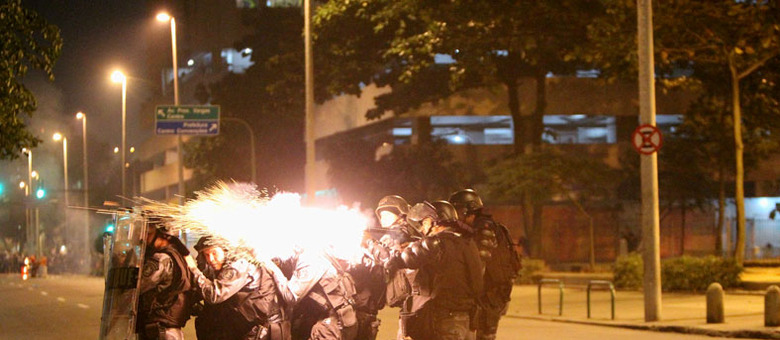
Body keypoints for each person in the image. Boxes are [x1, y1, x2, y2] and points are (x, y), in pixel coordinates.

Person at [387, 200, 484, 340]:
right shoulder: (466, 242)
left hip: (444, 320)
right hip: (466, 319)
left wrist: (385, 249)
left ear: (433, 221)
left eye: (424, 222)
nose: (421, 228)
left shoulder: (436, 242)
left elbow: (404, 259)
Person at [185, 236, 289, 340]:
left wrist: (193, 268)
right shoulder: (230, 263)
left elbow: (214, 294)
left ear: (225, 250)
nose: (211, 259)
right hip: (256, 327)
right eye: (207, 255)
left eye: (214, 253)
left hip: (262, 331)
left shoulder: (239, 264)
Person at [450, 189, 521, 340]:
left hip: (487, 298)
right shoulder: (483, 226)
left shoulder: (483, 229)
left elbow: (477, 267)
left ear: (466, 210)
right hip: (492, 297)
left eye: (456, 211)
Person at [266, 247, 359, 340]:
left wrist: (273, 270)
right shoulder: (320, 253)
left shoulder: (310, 261)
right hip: (345, 321)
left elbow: (291, 297)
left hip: (331, 327)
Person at [136, 218, 195, 340]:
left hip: (159, 330)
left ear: (164, 236)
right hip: (168, 329)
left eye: (149, 234)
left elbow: (138, 286)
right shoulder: (177, 256)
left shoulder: (161, 258)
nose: (144, 238)